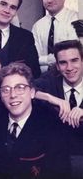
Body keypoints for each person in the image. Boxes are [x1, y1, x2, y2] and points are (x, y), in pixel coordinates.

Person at [0, 62, 70, 179]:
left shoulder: (52, 126)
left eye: (20, 88)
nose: (13, 95)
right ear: (1, 95)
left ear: (32, 92)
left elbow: (61, 174)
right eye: (6, 90)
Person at [35, 40, 83, 178]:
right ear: (57, 65)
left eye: (74, 60)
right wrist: (51, 98)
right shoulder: (50, 80)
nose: (69, 67)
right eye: (63, 62)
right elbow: (28, 87)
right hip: (55, 154)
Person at [32, 0, 78, 72]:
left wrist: (44, 60)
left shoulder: (76, 19)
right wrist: (50, 59)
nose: (49, 0)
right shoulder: (38, 26)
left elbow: (76, 53)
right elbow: (33, 57)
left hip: (71, 74)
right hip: (45, 78)